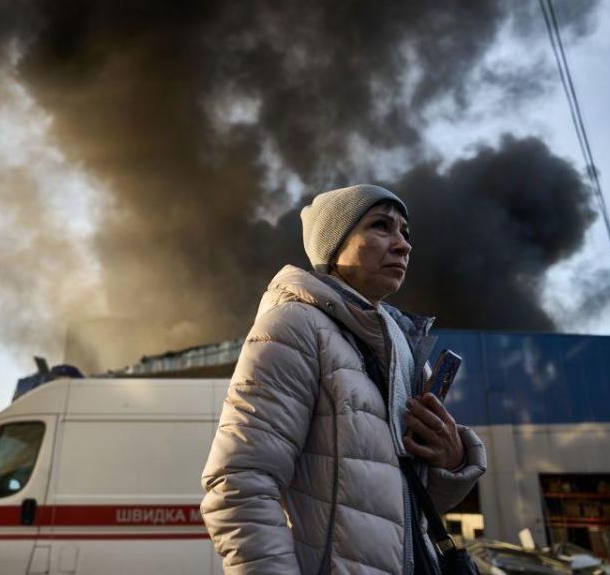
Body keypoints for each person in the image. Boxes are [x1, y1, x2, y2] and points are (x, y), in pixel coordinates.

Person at [201, 184, 487, 574]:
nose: (403, 245)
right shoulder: (294, 327)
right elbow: (239, 484)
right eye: (381, 227)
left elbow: (401, 507)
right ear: (334, 246)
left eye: (406, 232)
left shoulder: (403, 349)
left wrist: (450, 459)